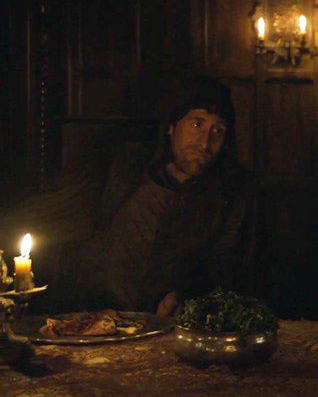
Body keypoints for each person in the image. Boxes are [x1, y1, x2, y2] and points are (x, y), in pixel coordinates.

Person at [0, 76, 256, 315]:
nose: (204, 142)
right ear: (172, 126)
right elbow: (50, 215)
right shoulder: (121, 171)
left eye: (217, 131)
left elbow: (226, 273)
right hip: (90, 316)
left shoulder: (229, 198)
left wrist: (186, 298)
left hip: (164, 328)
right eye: (197, 124)